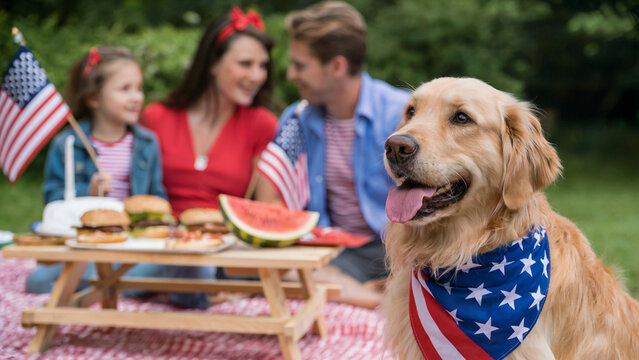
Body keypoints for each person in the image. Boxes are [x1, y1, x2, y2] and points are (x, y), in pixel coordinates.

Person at [254, 1, 410, 309]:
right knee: (278, 274)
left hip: (398, 250)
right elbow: (267, 200)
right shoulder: (297, 119)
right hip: (333, 251)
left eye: (300, 65)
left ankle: (371, 292)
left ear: (337, 66)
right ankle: (371, 298)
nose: (290, 74)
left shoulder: (402, 113)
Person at [141, 7, 278, 308]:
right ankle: (175, 287)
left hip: (218, 250)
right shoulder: (155, 117)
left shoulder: (262, 124)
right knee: (42, 280)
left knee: (194, 266)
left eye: (262, 66)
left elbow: (269, 207)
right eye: (245, 64)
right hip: (156, 242)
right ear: (212, 64)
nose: (257, 76)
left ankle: (172, 288)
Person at [29, 46, 167, 293]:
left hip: (131, 246)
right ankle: (113, 285)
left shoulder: (147, 143)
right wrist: (88, 191)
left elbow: (157, 195)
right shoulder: (68, 143)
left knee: (175, 269)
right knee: (37, 281)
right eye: (125, 89)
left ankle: (101, 286)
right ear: (93, 99)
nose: (137, 97)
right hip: (87, 247)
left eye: (139, 88)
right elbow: (52, 199)